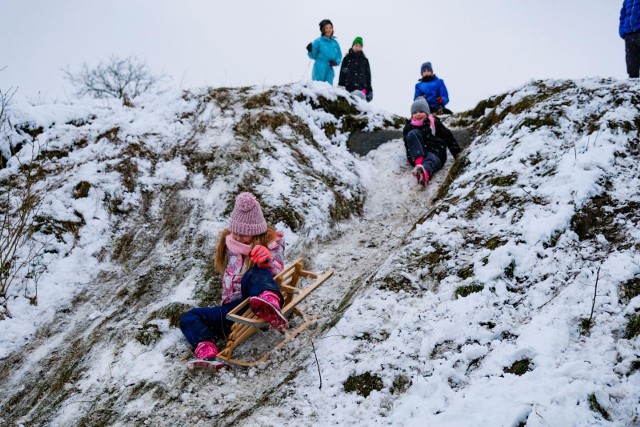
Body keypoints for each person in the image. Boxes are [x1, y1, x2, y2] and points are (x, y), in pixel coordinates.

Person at [179, 192, 287, 361]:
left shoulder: (271, 244)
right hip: (233, 310)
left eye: (243, 234)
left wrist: (267, 261)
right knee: (189, 317)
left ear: (256, 232)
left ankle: (269, 304)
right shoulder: (231, 244)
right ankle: (206, 348)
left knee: (254, 272)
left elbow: (277, 269)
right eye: (235, 231)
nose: (237, 237)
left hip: (252, 299)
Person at [403, 98, 461, 187]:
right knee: (412, 134)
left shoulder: (434, 123)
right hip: (417, 156)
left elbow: (448, 137)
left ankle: (424, 173)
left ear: (427, 112)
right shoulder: (408, 128)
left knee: (431, 160)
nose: (418, 114)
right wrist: (411, 157)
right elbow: (408, 145)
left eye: (421, 111)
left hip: (435, 152)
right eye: (415, 112)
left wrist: (457, 153)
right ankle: (419, 165)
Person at [306, 19, 342, 84]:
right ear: (322, 30)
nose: (329, 30)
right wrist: (310, 50)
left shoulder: (335, 43)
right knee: (318, 87)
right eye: (326, 28)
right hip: (319, 67)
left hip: (330, 68)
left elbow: (339, 56)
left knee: (328, 88)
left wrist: (335, 62)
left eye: (330, 28)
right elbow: (313, 56)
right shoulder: (318, 41)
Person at [338, 36, 373, 102]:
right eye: (356, 45)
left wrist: (369, 90)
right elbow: (342, 73)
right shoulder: (347, 59)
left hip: (361, 88)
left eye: (360, 46)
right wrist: (341, 85)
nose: (358, 48)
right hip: (348, 88)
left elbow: (368, 76)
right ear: (353, 46)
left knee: (360, 107)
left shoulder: (365, 60)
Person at [620, 0, 640, 78]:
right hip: (629, 33)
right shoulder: (627, 1)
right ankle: (633, 82)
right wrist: (622, 31)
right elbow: (622, 16)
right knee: (631, 61)